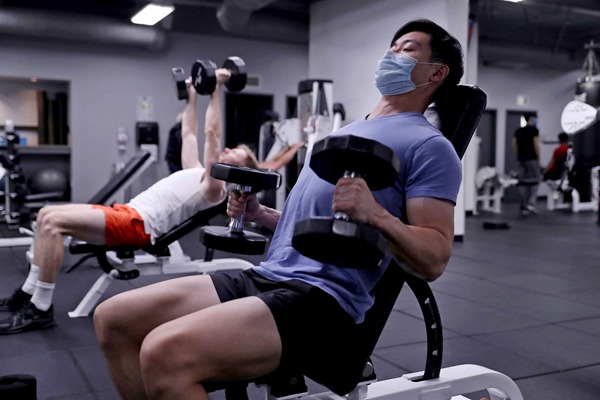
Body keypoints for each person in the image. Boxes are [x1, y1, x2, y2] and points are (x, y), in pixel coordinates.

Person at [93, 18, 464, 399]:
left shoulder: (429, 146)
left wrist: (377, 214)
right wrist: (260, 214)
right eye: (392, 47)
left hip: (321, 301)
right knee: (114, 319)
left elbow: (435, 257)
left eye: (407, 49)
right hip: (269, 275)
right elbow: (315, 224)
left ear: (437, 72)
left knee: (164, 353)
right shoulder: (347, 131)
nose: (391, 54)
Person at [0, 68, 260, 334]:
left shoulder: (214, 189)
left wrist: (216, 89)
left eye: (234, 153)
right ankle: (28, 293)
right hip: (126, 212)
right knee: (45, 214)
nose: (227, 150)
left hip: (138, 224)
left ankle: (41, 307)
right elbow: (189, 134)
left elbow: (211, 134)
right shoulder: (197, 171)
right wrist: (191, 96)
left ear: (237, 170)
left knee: (53, 223)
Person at [512, 112, 541, 215]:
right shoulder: (534, 130)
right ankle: (531, 204)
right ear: (531, 119)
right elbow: (536, 145)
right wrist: (539, 159)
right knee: (536, 180)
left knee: (521, 182)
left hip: (521, 160)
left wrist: (520, 155)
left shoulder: (518, 131)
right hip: (531, 159)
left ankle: (523, 206)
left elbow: (514, 145)